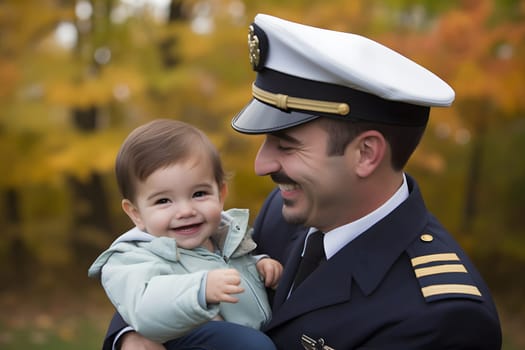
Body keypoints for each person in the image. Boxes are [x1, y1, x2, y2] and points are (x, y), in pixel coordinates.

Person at [106, 14, 502, 350]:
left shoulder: (441, 318)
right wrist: (130, 334)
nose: (262, 164)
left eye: (286, 144)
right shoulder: (285, 211)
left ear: (366, 154)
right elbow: (167, 267)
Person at [88, 119, 282, 350]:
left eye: (199, 193)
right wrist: (199, 290)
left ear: (220, 194)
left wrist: (259, 266)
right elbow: (144, 308)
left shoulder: (228, 239)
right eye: (163, 201)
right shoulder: (131, 258)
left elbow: (230, 270)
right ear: (136, 213)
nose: (186, 211)